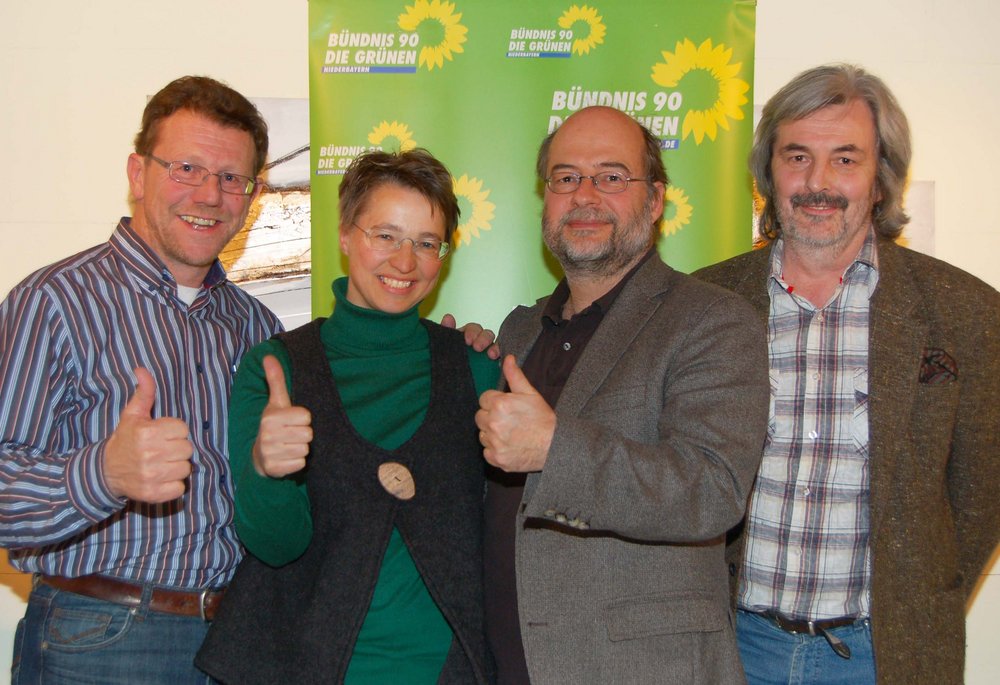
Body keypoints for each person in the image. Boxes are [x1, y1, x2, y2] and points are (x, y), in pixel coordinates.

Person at [694, 64, 1000, 685]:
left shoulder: (967, 313)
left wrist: (916, 602)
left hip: (884, 657)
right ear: (768, 172)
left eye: (845, 160)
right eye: (797, 156)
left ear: (881, 179)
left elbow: (979, 501)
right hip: (731, 649)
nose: (817, 183)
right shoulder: (704, 303)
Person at [0, 75, 281, 684]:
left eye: (232, 178)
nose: (210, 195)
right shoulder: (53, 301)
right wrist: (101, 473)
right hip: (102, 639)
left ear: (253, 194)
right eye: (186, 168)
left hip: (237, 637)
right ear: (137, 173)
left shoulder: (255, 325)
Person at [475, 105, 770, 684]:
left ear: (655, 201)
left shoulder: (712, 320)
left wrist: (553, 449)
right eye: (565, 178)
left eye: (611, 177)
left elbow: (713, 490)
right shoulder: (519, 330)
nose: (584, 195)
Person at [195, 149, 500, 684]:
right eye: (385, 235)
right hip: (309, 667)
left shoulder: (476, 366)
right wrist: (268, 472)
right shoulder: (276, 367)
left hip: (448, 670)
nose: (405, 261)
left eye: (426, 243)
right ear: (344, 235)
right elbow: (275, 545)